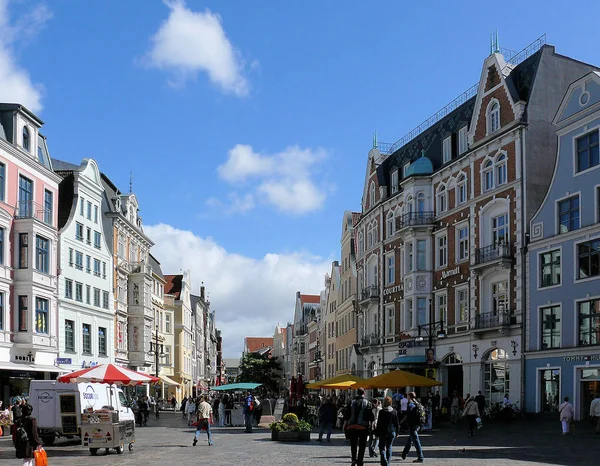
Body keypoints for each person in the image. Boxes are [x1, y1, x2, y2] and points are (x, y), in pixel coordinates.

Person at [343, 387, 374, 466]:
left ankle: (353, 459)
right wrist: (370, 423)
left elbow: (346, 413)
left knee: (353, 443)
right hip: (363, 427)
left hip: (352, 426)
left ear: (357, 393)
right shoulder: (367, 403)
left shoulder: (351, 402)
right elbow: (370, 415)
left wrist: (346, 422)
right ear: (364, 393)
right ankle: (360, 460)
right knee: (362, 444)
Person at [375, 396, 400, 466]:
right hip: (391, 432)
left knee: (382, 447)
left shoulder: (381, 412)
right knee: (389, 447)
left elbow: (379, 423)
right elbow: (397, 424)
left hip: (383, 431)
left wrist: (377, 432)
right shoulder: (394, 412)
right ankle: (388, 463)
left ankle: (383, 461)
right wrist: (397, 432)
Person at [401, 392, 424, 463]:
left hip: (412, 425)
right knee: (410, 439)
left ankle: (420, 457)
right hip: (418, 424)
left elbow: (406, 414)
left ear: (409, 396)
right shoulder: (418, 403)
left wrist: (401, 422)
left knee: (416, 441)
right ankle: (404, 453)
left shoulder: (410, 404)